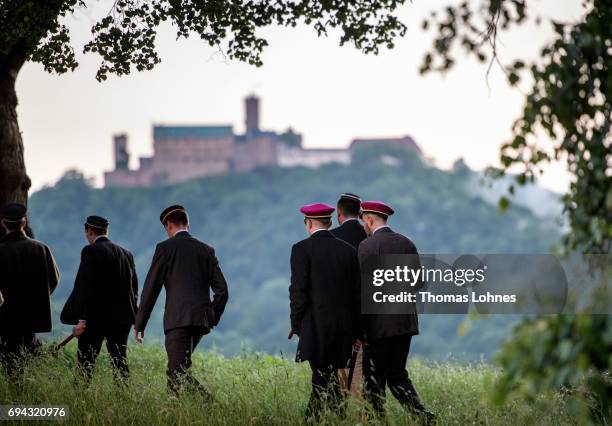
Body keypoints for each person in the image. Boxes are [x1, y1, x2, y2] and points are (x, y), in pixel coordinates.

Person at [134, 205, 229, 398]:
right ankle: (173, 410)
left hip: (178, 320)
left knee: (177, 371)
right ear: (187, 223)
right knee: (176, 370)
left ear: (169, 225)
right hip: (200, 321)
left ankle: (213, 408)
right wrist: (211, 316)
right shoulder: (206, 250)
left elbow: (151, 289)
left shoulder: (164, 249)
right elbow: (222, 291)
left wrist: (140, 323)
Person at [357, 201, 435, 422]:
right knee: (397, 375)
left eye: (364, 221)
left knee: (373, 380)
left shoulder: (366, 247)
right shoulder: (406, 243)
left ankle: (377, 421)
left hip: (377, 326)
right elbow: (419, 283)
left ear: (370, 219)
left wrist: (360, 329)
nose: (364, 225)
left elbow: (363, 291)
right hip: (404, 324)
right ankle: (422, 416)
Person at [289, 203, 361, 421]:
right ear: (330, 222)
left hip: (315, 327)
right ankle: (336, 417)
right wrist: (357, 331)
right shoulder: (348, 251)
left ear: (308, 223)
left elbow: (298, 291)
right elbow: (357, 295)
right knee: (326, 376)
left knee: (321, 378)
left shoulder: (301, 249)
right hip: (343, 328)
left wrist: (296, 324)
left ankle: (312, 420)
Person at [60, 215, 138, 385]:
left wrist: (81, 319)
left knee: (85, 365)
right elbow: (134, 289)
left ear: (88, 231)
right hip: (122, 319)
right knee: (120, 363)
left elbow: (84, 287)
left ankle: (79, 402)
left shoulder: (90, 251)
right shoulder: (127, 254)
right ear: (106, 231)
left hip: (95, 319)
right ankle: (125, 400)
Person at [0, 203, 60, 384]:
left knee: (9, 360)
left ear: (4, 223)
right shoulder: (41, 248)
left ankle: (14, 399)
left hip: (6, 315)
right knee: (26, 358)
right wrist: (38, 297)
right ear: (24, 222)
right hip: (33, 316)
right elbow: (54, 279)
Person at [330, 192, 367, 398]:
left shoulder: (331, 238)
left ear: (338, 213)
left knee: (338, 373)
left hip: (337, 316)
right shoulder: (369, 237)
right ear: (361, 213)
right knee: (361, 373)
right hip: (366, 316)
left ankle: (339, 410)